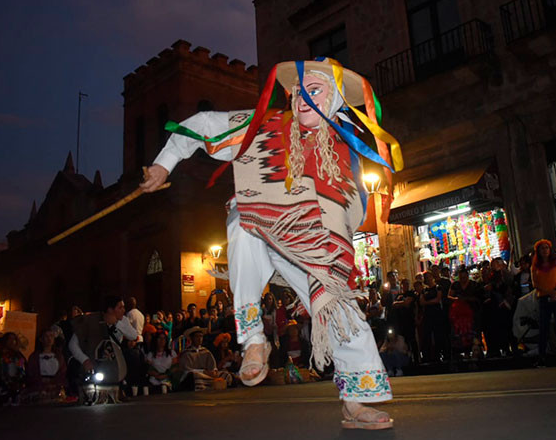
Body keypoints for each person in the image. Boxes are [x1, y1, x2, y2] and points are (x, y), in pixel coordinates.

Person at [141, 57, 400, 429]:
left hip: (313, 244)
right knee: (242, 218)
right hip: (262, 229)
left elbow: (354, 208)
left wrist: (322, 238)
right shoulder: (266, 127)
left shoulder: (346, 147)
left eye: (314, 91)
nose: (302, 100)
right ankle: (253, 340)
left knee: (343, 316)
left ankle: (356, 403)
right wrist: (164, 164)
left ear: (336, 99)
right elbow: (204, 125)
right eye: (297, 92)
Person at [69, 295, 138, 385]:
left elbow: (133, 336)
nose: (123, 310)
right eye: (120, 308)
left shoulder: (123, 320)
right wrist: (85, 360)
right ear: (110, 310)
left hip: (113, 363)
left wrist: (117, 323)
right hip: (94, 361)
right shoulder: (90, 321)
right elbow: (72, 344)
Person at [531, 239, 556, 367]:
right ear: (538, 251)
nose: (545, 250)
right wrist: (548, 292)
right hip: (543, 298)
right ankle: (542, 357)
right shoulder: (535, 266)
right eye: (542, 248)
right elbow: (535, 283)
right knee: (544, 328)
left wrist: (555, 291)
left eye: (547, 248)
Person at [177, 326, 226, 391]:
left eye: (201, 336)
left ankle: (211, 383)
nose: (199, 339)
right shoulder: (186, 353)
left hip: (207, 376)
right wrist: (203, 372)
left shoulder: (206, 352)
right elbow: (187, 371)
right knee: (196, 377)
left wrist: (214, 371)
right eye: (197, 336)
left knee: (225, 374)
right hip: (193, 378)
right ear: (191, 338)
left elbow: (213, 366)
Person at [25, 328, 67, 401]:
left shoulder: (59, 356)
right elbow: (31, 373)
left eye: (51, 336)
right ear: (41, 339)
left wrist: (54, 383)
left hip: (55, 389)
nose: (49, 339)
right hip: (38, 389)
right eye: (46, 336)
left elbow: (62, 372)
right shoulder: (34, 357)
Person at [419, 271, 445, 363]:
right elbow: (421, 302)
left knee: (438, 335)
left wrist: (427, 303)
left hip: (437, 314)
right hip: (427, 315)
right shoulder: (424, 290)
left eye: (428, 276)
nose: (427, 279)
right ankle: (428, 356)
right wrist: (429, 302)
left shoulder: (438, 287)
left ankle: (439, 354)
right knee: (427, 335)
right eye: (426, 277)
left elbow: (438, 299)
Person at [392, 278, 419, 363]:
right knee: (404, 341)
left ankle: (416, 359)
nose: (406, 286)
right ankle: (407, 360)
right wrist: (401, 304)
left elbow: (407, 303)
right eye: (404, 284)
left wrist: (399, 304)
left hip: (410, 320)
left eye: (407, 284)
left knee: (412, 340)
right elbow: (394, 305)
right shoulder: (398, 295)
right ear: (401, 285)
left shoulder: (411, 293)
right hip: (401, 322)